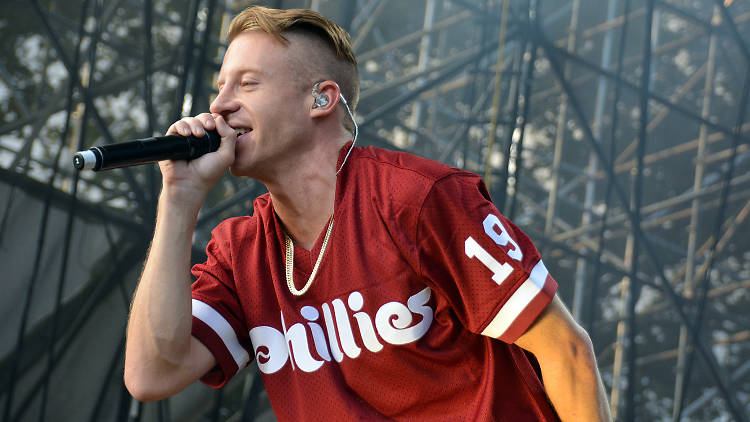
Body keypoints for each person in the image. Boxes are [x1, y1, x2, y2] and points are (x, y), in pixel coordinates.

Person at [124, 6, 611, 421]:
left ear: (322, 99)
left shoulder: (416, 199)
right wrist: (179, 197)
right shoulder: (242, 252)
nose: (220, 104)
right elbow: (152, 374)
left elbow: (567, 351)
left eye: (247, 84)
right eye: (220, 85)